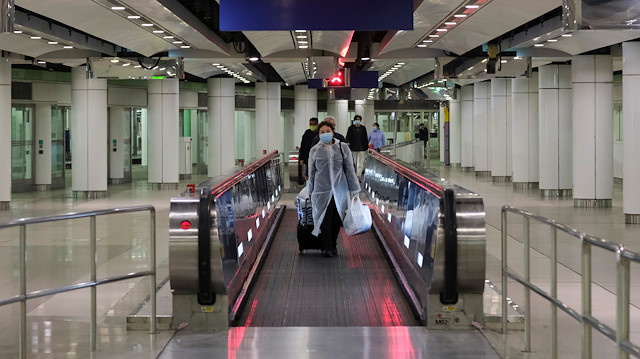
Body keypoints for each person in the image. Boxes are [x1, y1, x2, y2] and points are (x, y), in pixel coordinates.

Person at [308, 120, 361, 257]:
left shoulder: (342, 148)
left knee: (336, 220)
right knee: (324, 219)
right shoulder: (315, 150)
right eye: (322, 132)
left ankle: (333, 244)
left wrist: (355, 190)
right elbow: (311, 172)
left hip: (340, 190)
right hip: (321, 191)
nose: (325, 134)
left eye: (328, 131)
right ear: (318, 135)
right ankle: (327, 247)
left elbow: (350, 169)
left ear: (333, 132)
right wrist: (310, 191)